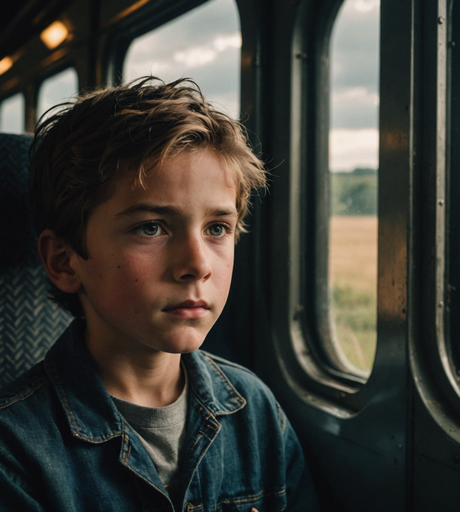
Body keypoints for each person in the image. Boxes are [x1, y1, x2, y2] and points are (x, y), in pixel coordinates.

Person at [0, 77, 319, 512]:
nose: (198, 264)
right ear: (64, 261)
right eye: (151, 227)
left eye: (217, 229)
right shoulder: (16, 449)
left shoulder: (255, 410)